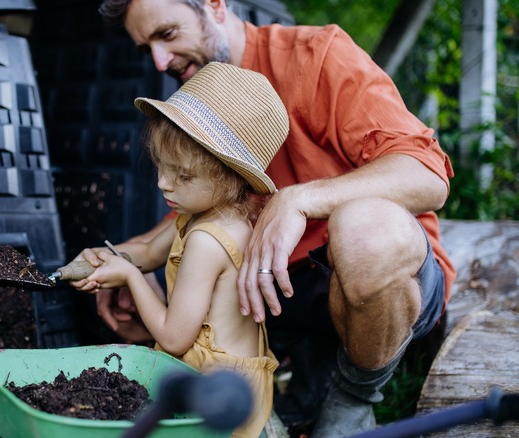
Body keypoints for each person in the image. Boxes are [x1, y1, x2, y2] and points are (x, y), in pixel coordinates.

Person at [78, 1, 457, 436]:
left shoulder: (316, 56)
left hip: (385, 280)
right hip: (282, 291)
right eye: (147, 50)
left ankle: (354, 397)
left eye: (167, 34)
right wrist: (128, 258)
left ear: (215, 6)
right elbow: (198, 219)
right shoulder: (203, 97)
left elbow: (426, 175)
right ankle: (302, 379)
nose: (161, 62)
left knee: (365, 230)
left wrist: (299, 199)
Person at [75, 62, 288, 436]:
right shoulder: (227, 218)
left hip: (212, 397)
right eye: (160, 166)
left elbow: (174, 340)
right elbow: (150, 252)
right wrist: (111, 258)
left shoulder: (207, 241)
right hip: (241, 387)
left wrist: (128, 274)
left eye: (183, 175)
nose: (162, 184)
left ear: (229, 176)